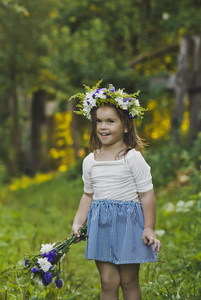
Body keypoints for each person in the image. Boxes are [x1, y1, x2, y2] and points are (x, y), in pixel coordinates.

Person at [70, 82, 161, 300]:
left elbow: (146, 194)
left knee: (129, 281)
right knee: (108, 281)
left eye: (111, 121)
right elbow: (88, 195)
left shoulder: (132, 158)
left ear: (126, 126)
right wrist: (78, 222)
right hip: (100, 225)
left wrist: (149, 228)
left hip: (128, 225)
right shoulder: (90, 161)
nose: (103, 127)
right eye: (98, 121)